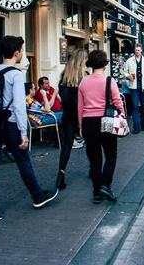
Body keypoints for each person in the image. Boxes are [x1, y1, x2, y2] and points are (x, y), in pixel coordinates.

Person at [0, 36, 58, 226]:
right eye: (22, 50)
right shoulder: (15, 74)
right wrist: (23, 132)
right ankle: (38, 196)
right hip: (11, 124)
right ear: (16, 53)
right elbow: (19, 107)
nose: (22, 54)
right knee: (23, 161)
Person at [78, 50, 126, 204]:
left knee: (95, 158)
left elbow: (80, 106)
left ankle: (97, 193)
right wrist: (123, 117)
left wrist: (80, 125)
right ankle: (106, 184)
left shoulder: (83, 82)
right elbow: (117, 101)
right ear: (105, 64)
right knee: (111, 153)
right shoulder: (109, 81)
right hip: (105, 120)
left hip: (88, 122)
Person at [56, 48, 88, 190]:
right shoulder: (84, 77)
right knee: (91, 141)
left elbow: (61, 95)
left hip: (68, 114)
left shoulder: (64, 76)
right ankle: (93, 169)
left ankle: (61, 173)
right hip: (82, 113)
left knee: (67, 144)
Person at [124, 43, 144, 133]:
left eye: (138, 50)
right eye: (135, 50)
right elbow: (124, 71)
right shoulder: (129, 61)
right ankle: (136, 127)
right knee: (134, 106)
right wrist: (128, 76)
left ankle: (143, 124)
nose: (137, 52)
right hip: (133, 87)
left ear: (141, 50)